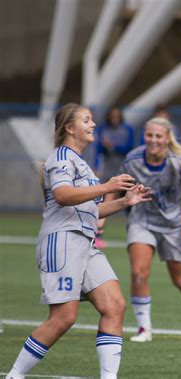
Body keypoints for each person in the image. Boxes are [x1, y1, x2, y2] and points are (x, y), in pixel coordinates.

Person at [6, 103, 151, 379]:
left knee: (114, 306)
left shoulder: (81, 162)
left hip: (85, 243)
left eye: (92, 119)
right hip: (63, 243)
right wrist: (107, 186)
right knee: (63, 318)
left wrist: (124, 201)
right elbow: (62, 195)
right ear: (70, 128)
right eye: (87, 120)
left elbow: (90, 210)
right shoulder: (62, 157)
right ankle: (14, 376)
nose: (93, 124)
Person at [106, 117, 181, 343]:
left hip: (175, 225)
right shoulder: (134, 159)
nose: (153, 140)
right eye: (149, 135)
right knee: (139, 273)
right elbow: (117, 184)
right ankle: (144, 328)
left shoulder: (179, 160)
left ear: (167, 138)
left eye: (158, 136)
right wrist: (103, 215)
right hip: (143, 221)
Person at [95, 107, 135, 248]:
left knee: (131, 200)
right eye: (113, 116)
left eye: (117, 116)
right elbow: (98, 150)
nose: (115, 118)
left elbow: (129, 148)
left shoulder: (127, 129)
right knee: (106, 199)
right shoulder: (102, 129)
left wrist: (114, 146)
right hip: (108, 170)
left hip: (124, 169)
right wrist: (96, 165)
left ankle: (135, 230)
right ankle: (98, 232)